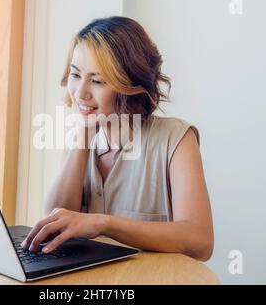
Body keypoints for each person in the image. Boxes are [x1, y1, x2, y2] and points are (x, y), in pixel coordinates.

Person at [22, 16, 214, 261]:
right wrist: (83, 134)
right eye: (75, 75)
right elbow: (54, 223)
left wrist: (103, 223)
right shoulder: (82, 139)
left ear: (129, 84)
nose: (81, 93)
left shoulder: (176, 139)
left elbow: (201, 242)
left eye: (98, 81)